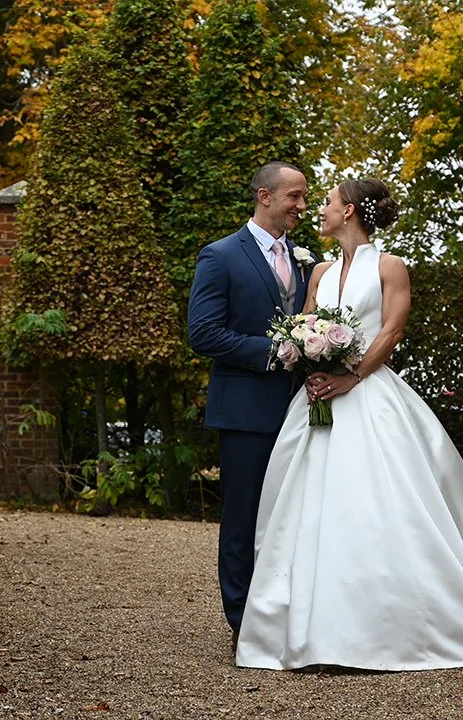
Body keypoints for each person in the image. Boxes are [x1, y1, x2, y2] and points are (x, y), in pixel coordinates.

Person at [235, 178, 463, 671]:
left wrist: (350, 376)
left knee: (383, 505)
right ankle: (310, 631)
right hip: (319, 402)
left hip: (370, 394)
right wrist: (310, 368)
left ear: (350, 211)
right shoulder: (320, 273)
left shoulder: (390, 267)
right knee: (309, 510)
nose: (321, 210)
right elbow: (303, 327)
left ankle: (394, 627)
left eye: (329, 202)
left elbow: (393, 329)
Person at [188, 161, 318, 650]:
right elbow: (202, 332)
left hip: (301, 408)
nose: (302, 207)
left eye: (306, 198)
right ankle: (242, 622)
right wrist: (270, 353)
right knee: (244, 516)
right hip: (244, 410)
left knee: (295, 515)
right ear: (265, 196)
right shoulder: (220, 256)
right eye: (295, 197)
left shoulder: (307, 260)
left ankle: (286, 610)